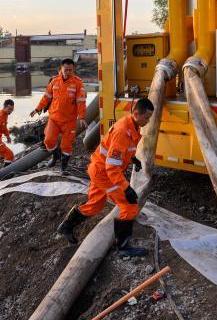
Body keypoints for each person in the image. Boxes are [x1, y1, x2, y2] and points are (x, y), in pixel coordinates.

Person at [56, 97, 154, 257]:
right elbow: (112, 167)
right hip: (104, 173)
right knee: (129, 205)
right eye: (146, 118)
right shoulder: (123, 131)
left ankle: (66, 226)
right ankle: (122, 248)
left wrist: (132, 159)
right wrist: (126, 188)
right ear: (136, 113)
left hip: (99, 168)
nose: (148, 121)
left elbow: (122, 151)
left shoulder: (132, 126)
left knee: (95, 205)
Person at [31, 58, 87, 173]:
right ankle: (56, 156)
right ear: (61, 69)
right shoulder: (54, 81)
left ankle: (64, 167)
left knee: (66, 146)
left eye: (70, 70)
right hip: (54, 119)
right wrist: (37, 109)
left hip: (69, 121)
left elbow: (81, 101)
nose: (67, 72)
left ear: (73, 69)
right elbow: (46, 97)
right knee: (49, 141)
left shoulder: (78, 83)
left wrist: (81, 117)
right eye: (65, 70)